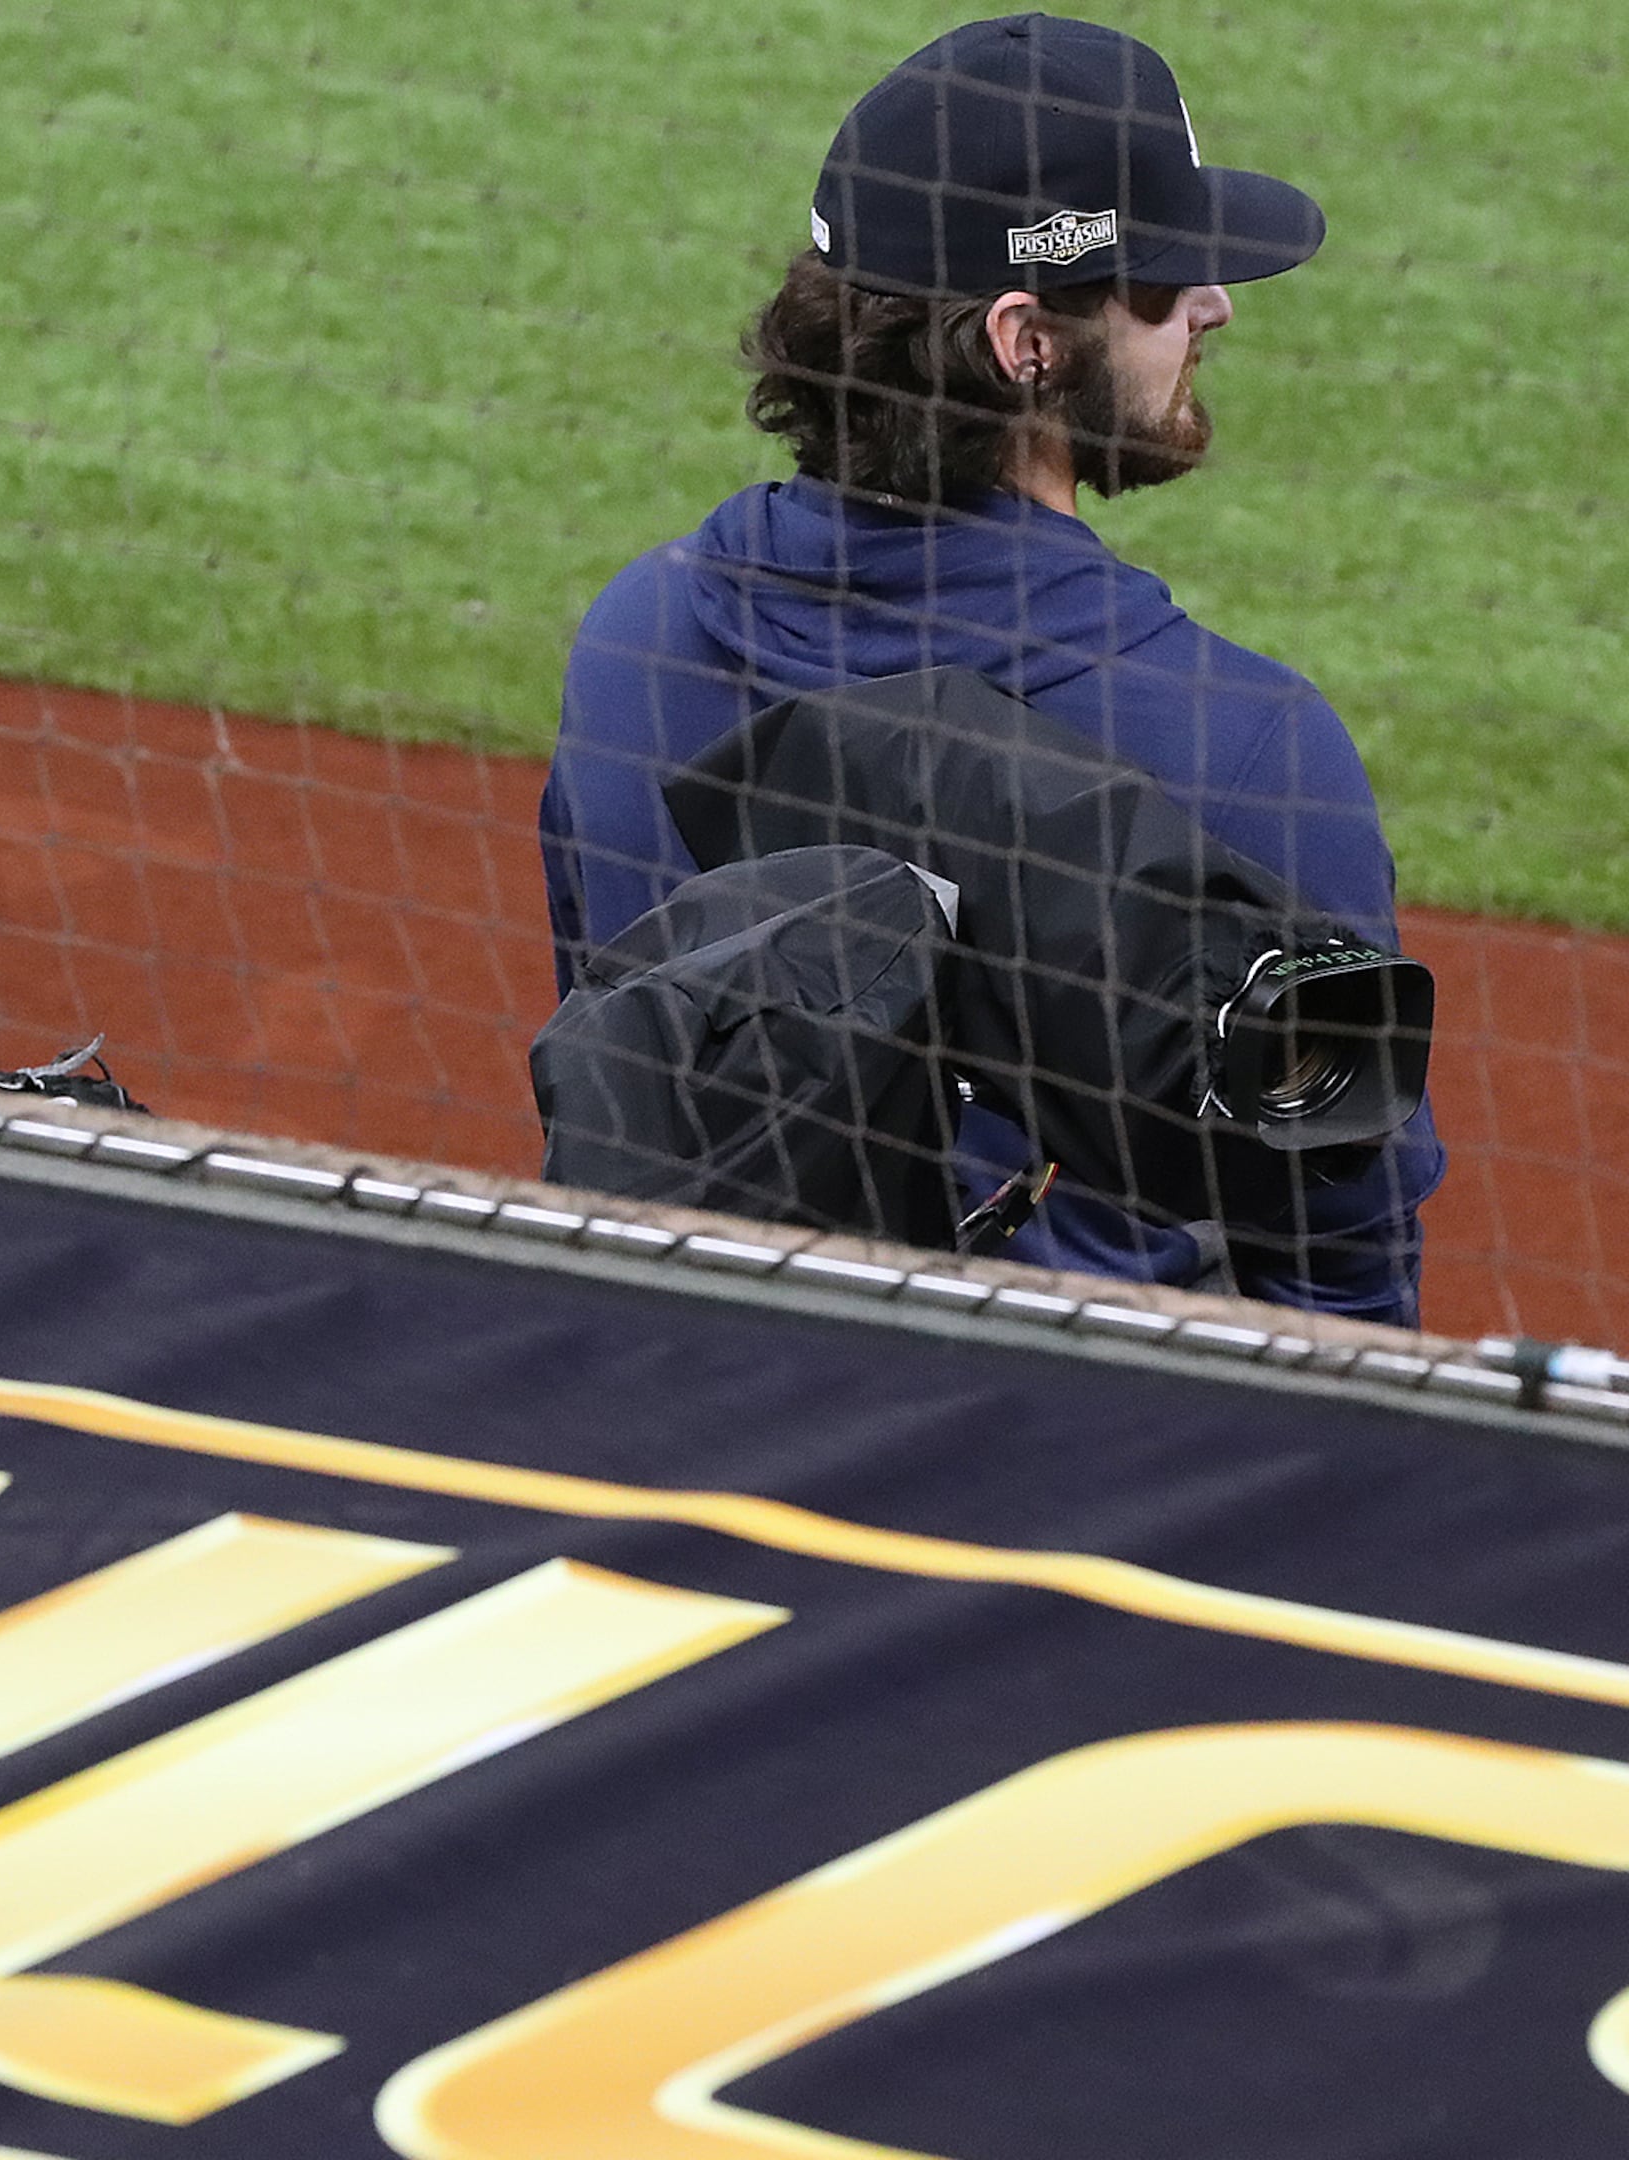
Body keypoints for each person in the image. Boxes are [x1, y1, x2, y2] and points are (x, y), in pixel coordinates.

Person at [539, 12, 1443, 1328]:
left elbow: (622, 1047)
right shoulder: (1247, 745)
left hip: (693, 1369)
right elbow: (1339, 1263)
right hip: (1049, 1441)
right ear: (1028, 341)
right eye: (1162, 282)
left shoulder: (639, 634)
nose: (1215, 306)